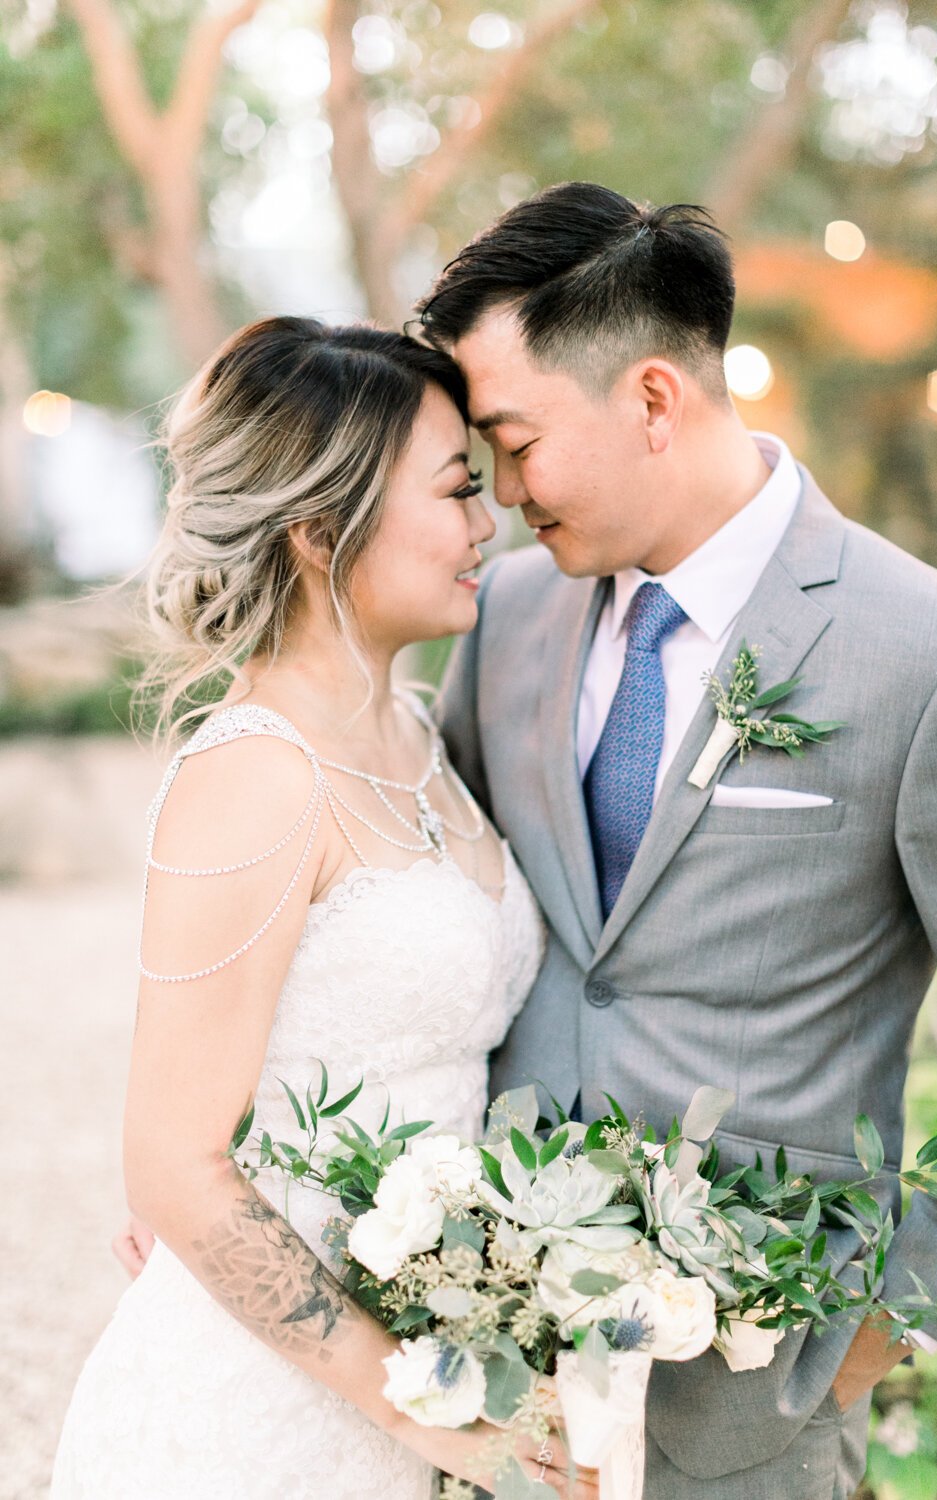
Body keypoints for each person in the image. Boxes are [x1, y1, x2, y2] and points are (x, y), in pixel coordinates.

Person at [417, 182, 937, 1500]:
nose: (501, 495)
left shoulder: (932, 651)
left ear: (656, 401)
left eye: (514, 439)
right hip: (487, 1373)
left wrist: (891, 1332)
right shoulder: (504, 616)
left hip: (755, 1406)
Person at [51, 316, 596, 1499]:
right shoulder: (255, 775)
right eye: (455, 491)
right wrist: (430, 1408)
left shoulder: (414, 730)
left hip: (426, 1364)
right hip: (267, 1424)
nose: (484, 522)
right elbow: (175, 1167)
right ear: (315, 530)